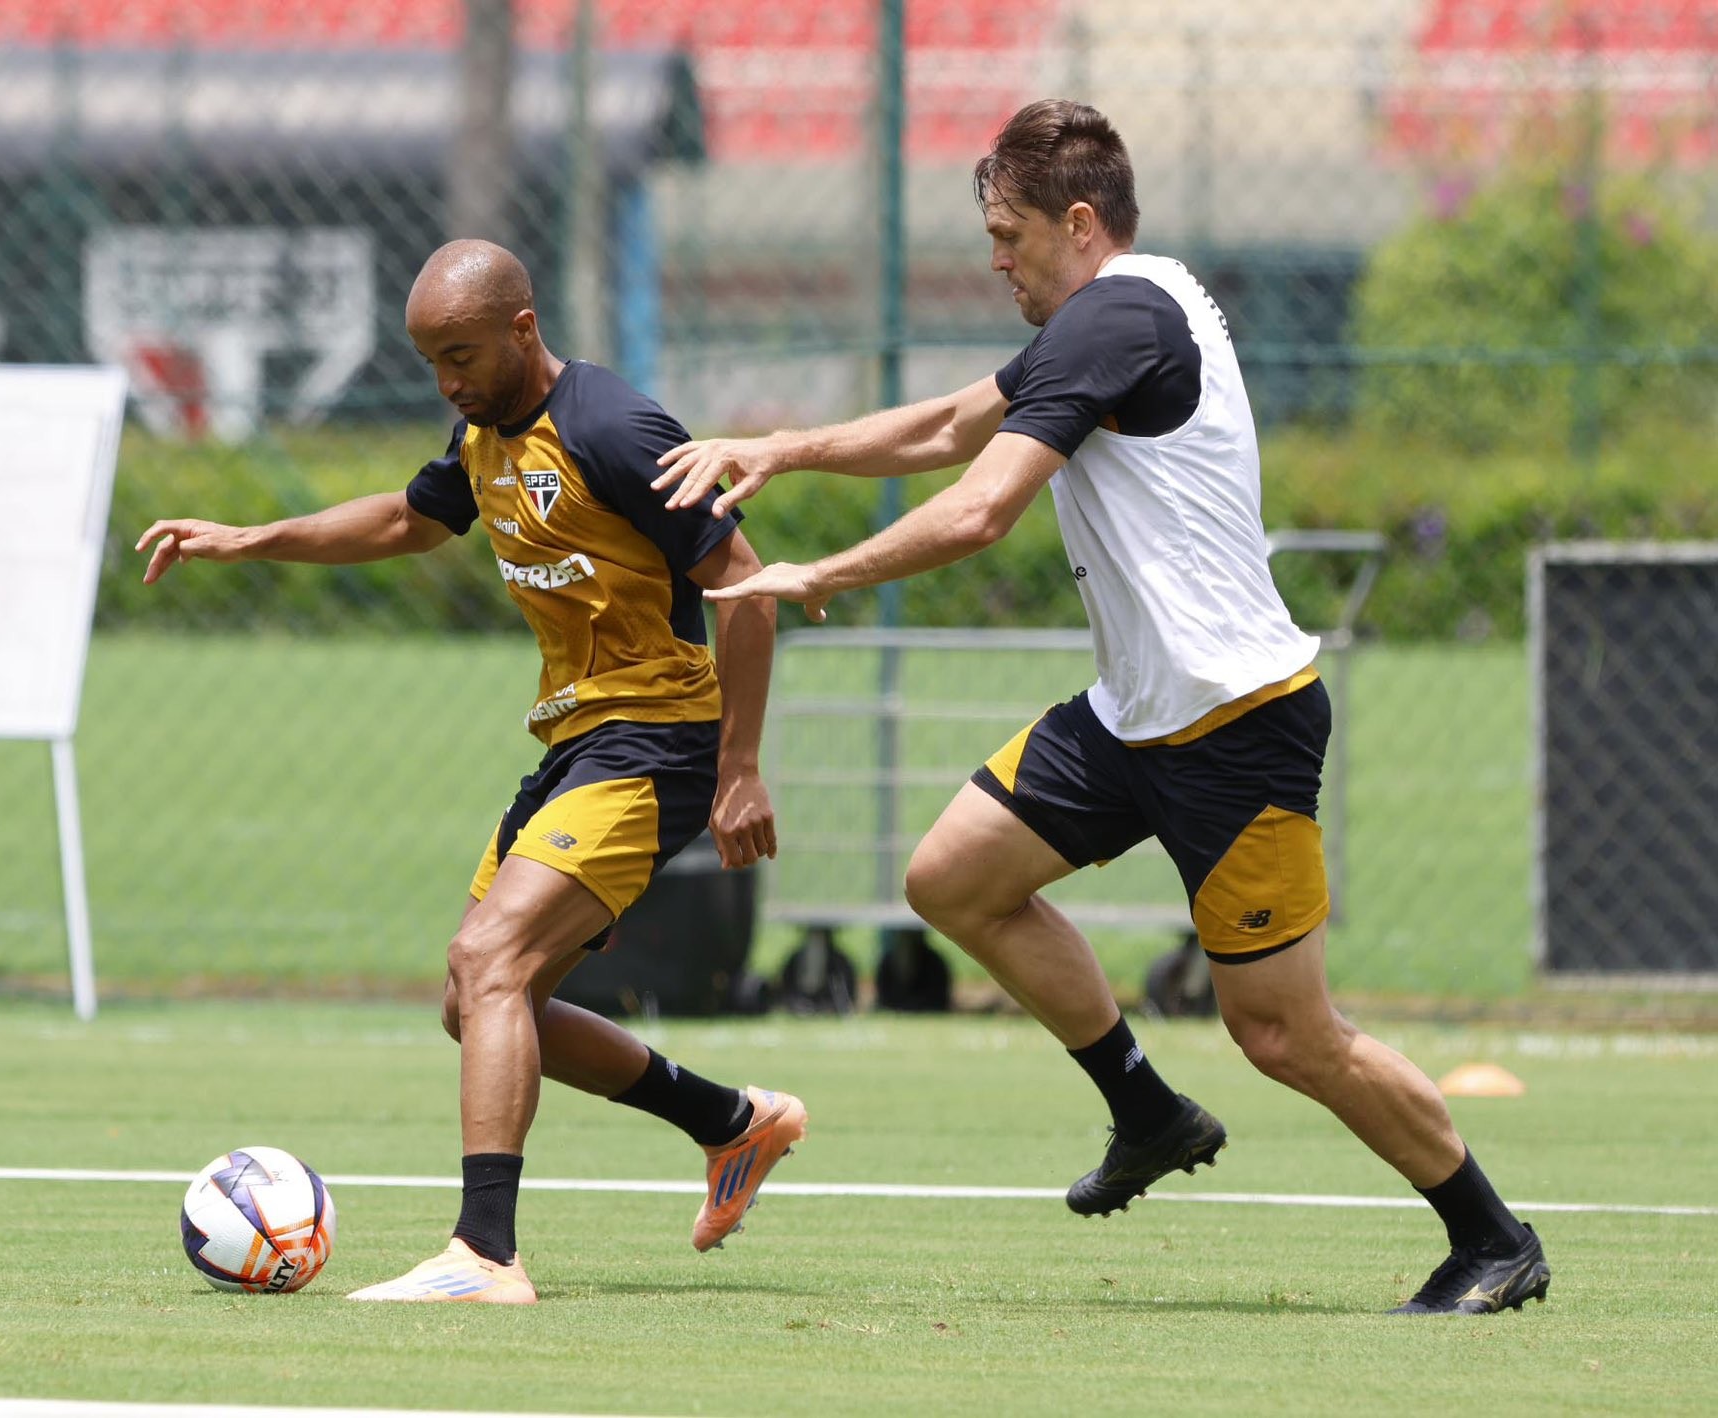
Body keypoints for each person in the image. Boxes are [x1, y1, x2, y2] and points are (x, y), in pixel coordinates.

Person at [652, 101, 1547, 1316]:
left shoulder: (1113, 317)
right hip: (1132, 715)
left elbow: (980, 507)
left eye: (1007, 234)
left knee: (1285, 1033)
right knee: (953, 876)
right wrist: (783, 448)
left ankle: (1491, 1236)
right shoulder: (1121, 309)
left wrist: (819, 572)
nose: (994, 260)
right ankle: (1145, 1109)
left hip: (1235, 724)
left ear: (1078, 224)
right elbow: (951, 423)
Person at [138, 239, 807, 1305]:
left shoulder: (614, 429)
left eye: (460, 355)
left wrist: (739, 769)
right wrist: (249, 537)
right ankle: (731, 1121)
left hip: (659, 738)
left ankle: (485, 1254)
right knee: (478, 997)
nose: (446, 381)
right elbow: (408, 518)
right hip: (577, 742)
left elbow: (748, 585)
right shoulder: (486, 432)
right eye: (430, 362)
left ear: (522, 329)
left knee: (488, 956)